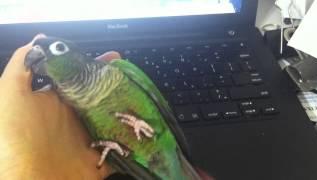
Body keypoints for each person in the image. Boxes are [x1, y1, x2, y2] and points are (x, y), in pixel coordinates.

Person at [0, 35, 213, 180]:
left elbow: (162, 112)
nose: (40, 54)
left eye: (57, 48)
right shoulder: (73, 105)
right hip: (138, 160)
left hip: (164, 144)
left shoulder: (120, 69)